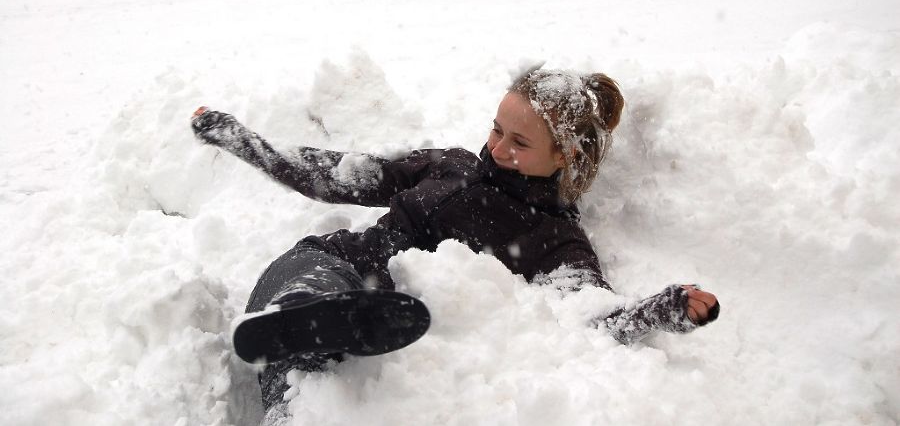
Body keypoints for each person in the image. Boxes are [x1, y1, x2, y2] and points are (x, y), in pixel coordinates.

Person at [191, 68, 719, 421]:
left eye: (519, 142)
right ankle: (308, 313)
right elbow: (343, 174)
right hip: (332, 263)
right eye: (496, 130)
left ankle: (300, 383)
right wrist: (246, 142)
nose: (496, 147)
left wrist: (659, 311)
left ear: (565, 159)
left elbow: (592, 313)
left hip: (393, 317)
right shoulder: (449, 164)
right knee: (307, 282)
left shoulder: (554, 240)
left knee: (303, 385)